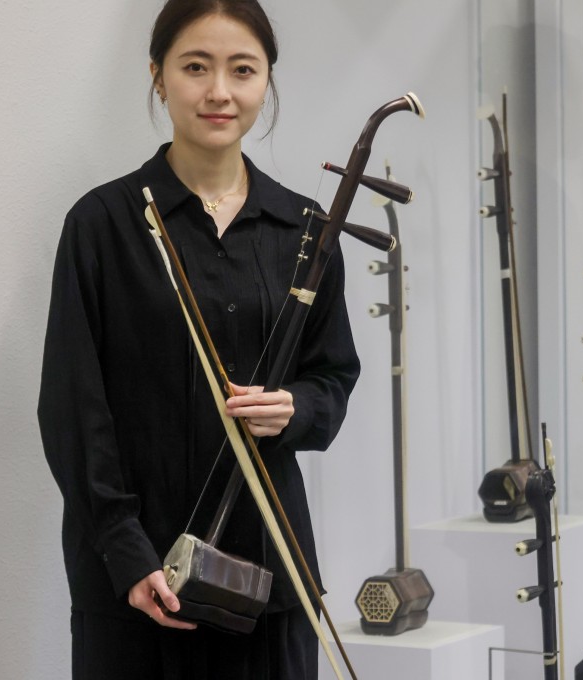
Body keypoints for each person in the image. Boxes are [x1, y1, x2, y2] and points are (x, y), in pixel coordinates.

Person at [37, 1, 360, 678]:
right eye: (195, 67)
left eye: (242, 69)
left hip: (267, 578)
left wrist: (297, 409)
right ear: (158, 77)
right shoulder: (102, 225)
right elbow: (74, 410)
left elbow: (332, 376)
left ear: (267, 80)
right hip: (138, 584)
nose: (220, 91)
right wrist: (126, 552)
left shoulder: (305, 229)